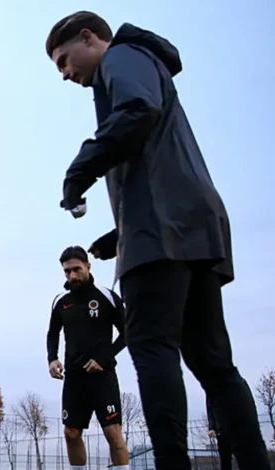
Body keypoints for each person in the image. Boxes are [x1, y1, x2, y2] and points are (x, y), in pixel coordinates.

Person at [44, 10, 269, 469]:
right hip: (190, 231)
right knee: (213, 364)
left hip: (160, 238)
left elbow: (137, 112)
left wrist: (81, 168)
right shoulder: (144, 64)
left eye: (64, 60)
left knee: (152, 348)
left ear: (89, 38)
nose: (65, 74)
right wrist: (119, 236)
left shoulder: (122, 58)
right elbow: (156, 167)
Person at [47, 246, 128, 470]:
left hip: (103, 376)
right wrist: (52, 358)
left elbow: (128, 332)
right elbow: (52, 334)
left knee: (112, 432)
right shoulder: (60, 301)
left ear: (88, 267)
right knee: (71, 433)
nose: (72, 275)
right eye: (67, 271)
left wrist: (103, 358)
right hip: (74, 378)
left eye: (76, 269)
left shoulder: (107, 296)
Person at [207, 396, 233, 470]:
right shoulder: (211, 393)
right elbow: (210, 410)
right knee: (225, 459)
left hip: (237, 427)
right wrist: (211, 428)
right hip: (221, 430)